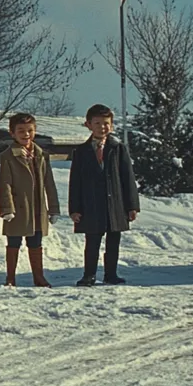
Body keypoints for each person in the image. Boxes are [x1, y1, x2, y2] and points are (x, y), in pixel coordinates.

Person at [68, 104, 140, 287]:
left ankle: (111, 274)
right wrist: (75, 209)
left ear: (112, 125)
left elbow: (128, 178)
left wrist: (132, 206)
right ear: (88, 125)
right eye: (98, 123)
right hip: (91, 206)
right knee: (92, 242)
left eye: (106, 123)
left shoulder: (118, 149)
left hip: (114, 204)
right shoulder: (81, 152)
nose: (102, 127)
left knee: (113, 242)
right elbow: (75, 182)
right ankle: (89, 274)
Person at [0, 113, 60, 287]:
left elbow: (50, 183)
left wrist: (53, 208)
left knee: (35, 242)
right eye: (21, 131)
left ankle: (38, 277)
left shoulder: (41, 155)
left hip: (38, 207)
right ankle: (10, 278)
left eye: (30, 130)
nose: (26, 134)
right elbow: (5, 184)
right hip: (18, 207)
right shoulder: (8, 156)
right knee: (14, 242)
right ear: (13, 133)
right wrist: (7, 207)